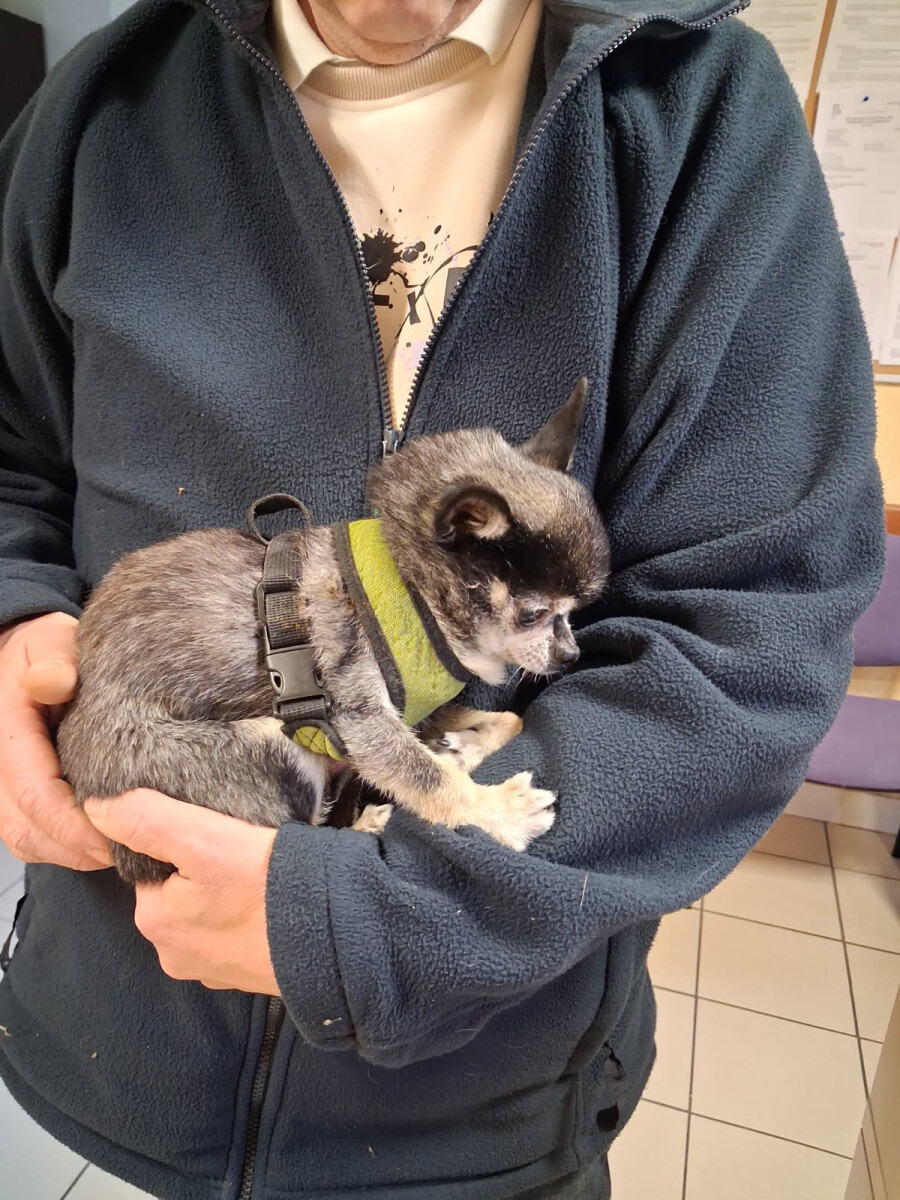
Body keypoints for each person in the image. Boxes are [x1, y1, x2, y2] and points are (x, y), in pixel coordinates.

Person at [0, 0, 884, 1196]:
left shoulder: (696, 117)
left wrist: (389, 920)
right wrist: (13, 608)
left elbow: (749, 635)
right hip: (126, 1046)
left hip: (473, 1119)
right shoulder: (102, 107)